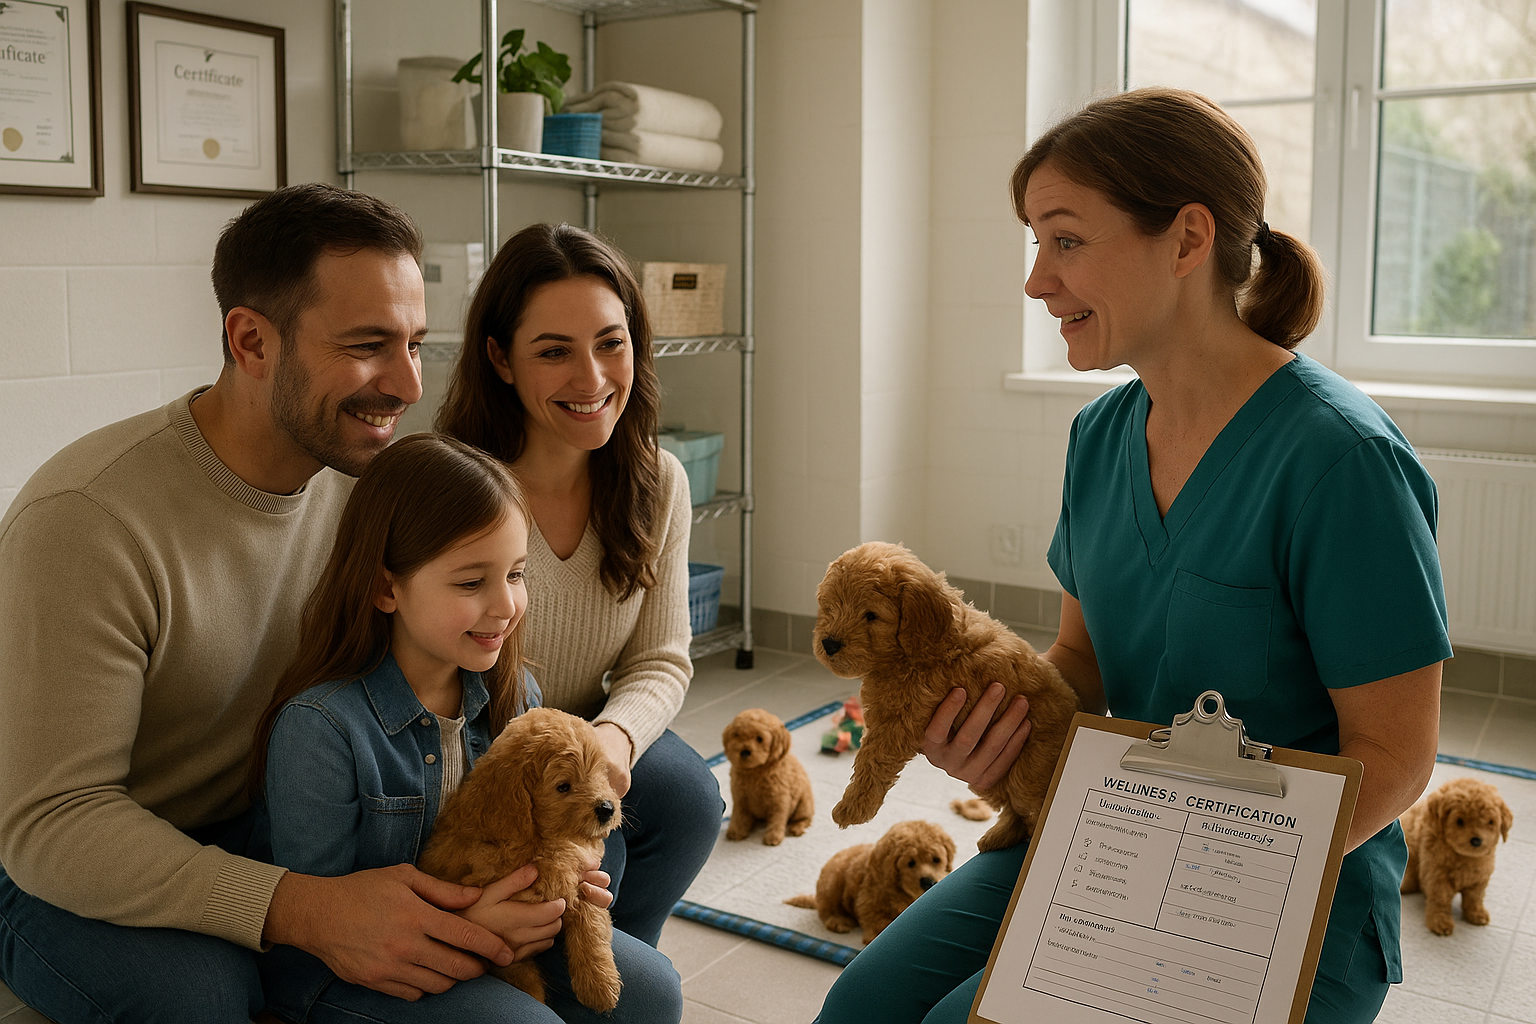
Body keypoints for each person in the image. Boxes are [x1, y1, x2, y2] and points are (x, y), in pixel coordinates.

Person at [815, 87, 1448, 1024]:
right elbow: (1085, 666)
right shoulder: (1100, 438)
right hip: (1105, 835)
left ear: (1188, 240)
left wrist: (1199, 890)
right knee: (856, 1012)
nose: (1037, 281)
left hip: (1287, 886)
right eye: (1037, 243)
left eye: (1065, 240)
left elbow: (1395, 759)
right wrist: (988, 723)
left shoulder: (1342, 462)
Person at [0, 183, 527, 1021]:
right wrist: (303, 911)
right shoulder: (85, 522)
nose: (405, 383)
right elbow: (55, 824)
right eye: (367, 346)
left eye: (415, 344)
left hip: (282, 821)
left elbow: (469, 630)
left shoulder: (362, 487)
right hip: (75, 868)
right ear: (250, 340)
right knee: (204, 995)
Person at [251, 433, 682, 1024]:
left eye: (517, 574)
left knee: (653, 991)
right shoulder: (321, 729)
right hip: (354, 972)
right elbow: (328, 925)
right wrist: (469, 925)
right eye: (471, 582)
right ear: (385, 587)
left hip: (498, 929)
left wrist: (568, 881)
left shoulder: (515, 695)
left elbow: (553, 831)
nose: (506, 605)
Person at [436, 222, 723, 947]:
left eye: (610, 343)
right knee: (602, 856)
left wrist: (615, 739)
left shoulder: (658, 480)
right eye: (554, 352)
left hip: (584, 737)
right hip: (480, 755)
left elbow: (660, 657)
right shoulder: (456, 488)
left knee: (691, 799)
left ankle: (623, 970)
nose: (592, 379)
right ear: (500, 359)